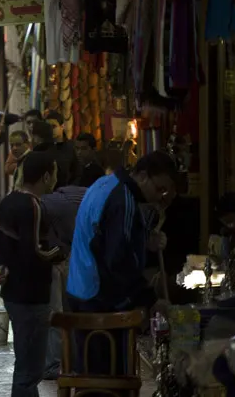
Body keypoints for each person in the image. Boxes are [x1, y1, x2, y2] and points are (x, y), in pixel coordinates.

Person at [67, 150, 177, 375]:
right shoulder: (122, 198)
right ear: (143, 175)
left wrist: (144, 240)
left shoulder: (105, 183)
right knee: (108, 381)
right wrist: (150, 298)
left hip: (82, 291)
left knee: (92, 378)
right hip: (100, 300)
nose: (160, 197)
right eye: (159, 189)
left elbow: (104, 239)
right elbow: (118, 260)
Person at [0, 151, 63, 397]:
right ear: (47, 175)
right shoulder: (33, 205)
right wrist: (62, 252)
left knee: (25, 365)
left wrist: (2, 265)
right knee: (30, 370)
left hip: (13, 294)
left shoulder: (9, 200)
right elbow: (36, 251)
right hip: (31, 295)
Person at [39, 184, 87, 379]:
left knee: (61, 310)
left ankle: (66, 362)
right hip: (58, 254)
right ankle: (55, 365)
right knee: (58, 311)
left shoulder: (60, 197)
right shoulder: (91, 200)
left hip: (61, 253)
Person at [44, 110, 78, 188]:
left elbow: (77, 173)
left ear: (62, 127)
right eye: (47, 127)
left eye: (53, 126)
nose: (50, 130)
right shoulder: (43, 147)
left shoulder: (71, 147)